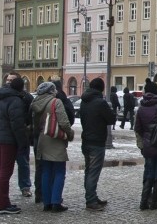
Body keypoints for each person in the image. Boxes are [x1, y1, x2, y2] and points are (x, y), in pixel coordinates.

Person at [31, 82, 74, 212]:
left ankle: (46, 202)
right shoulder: (56, 102)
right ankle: (56, 202)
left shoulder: (35, 103)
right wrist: (70, 134)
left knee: (46, 171)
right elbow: (64, 122)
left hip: (42, 139)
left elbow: (34, 123)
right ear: (51, 91)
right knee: (59, 171)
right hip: (55, 139)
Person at [0, 76, 29, 215]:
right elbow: (17, 124)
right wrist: (22, 142)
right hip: (8, 139)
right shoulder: (15, 100)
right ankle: (2, 204)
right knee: (5, 171)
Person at [79, 78, 115, 211]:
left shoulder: (84, 101)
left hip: (86, 140)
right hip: (97, 141)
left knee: (89, 171)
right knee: (93, 172)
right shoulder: (100, 103)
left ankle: (91, 196)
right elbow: (111, 118)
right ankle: (91, 201)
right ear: (101, 88)